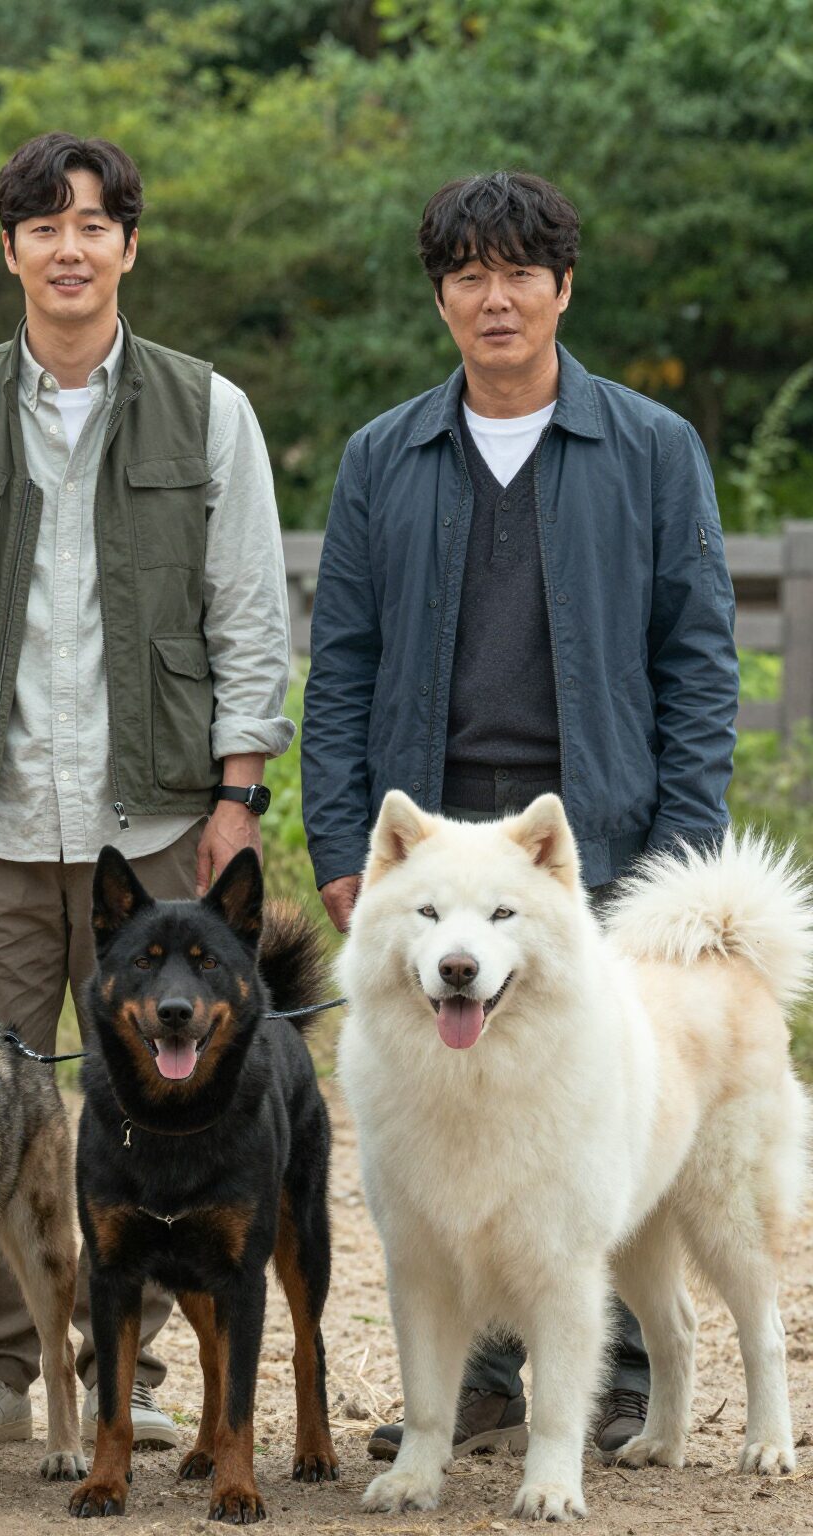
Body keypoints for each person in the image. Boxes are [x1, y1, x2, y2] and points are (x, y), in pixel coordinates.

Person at [0, 132, 296, 1451]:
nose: (69, 246)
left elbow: (251, 616)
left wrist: (238, 795)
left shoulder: (210, 410)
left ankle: (131, 1375)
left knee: (157, 1096)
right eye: (42, 225)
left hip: (155, 811)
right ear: (8, 250)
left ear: (129, 248)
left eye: (94, 224)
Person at [302, 170, 738, 1460]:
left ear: (562, 288)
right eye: (469, 275)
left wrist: (678, 860)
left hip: (589, 844)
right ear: (440, 294)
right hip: (430, 849)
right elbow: (346, 666)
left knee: (568, 1118)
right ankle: (480, 1386)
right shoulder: (387, 456)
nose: (496, 298)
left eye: (520, 273)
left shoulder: (655, 452)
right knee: (453, 1106)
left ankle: (588, 1380)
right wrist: (344, 848)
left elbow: (697, 666)